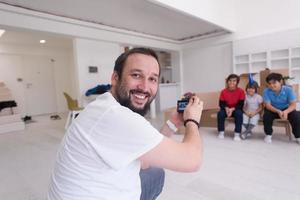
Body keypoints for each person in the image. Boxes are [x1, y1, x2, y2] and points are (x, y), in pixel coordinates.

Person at [47, 47, 204, 200]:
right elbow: (192, 160)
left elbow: (144, 159)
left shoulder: (103, 106)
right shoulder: (117, 117)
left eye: (152, 79)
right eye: (136, 75)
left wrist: (173, 122)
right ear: (115, 78)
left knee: (154, 172)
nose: (144, 87)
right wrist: (192, 120)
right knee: (156, 174)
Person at [263, 73, 300, 144]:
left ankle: (298, 136)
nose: (272, 85)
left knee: (296, 116)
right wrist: (277, 111)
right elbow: (268, 105)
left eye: (274, 83)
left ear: (280, 82)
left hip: (286, 108)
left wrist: (286, 112)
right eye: (269, 83)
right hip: (273, 109)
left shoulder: (289, 90)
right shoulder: (266, 91)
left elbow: (293, 105)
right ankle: (268, 134)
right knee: (266, 116)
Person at [217, 74, 245, 141]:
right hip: (226, 108)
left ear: (237, 82)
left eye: (234, 81)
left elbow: (241, 104)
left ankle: (237, 134)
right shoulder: (223, 91)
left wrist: (232, 109)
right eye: (230, 80)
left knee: (239, 114)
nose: (232, 82)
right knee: (220, 114)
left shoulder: (241, 91)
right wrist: (226, 109)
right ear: (227, 81)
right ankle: (221, 132)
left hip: (236, 109)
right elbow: (221, 104)